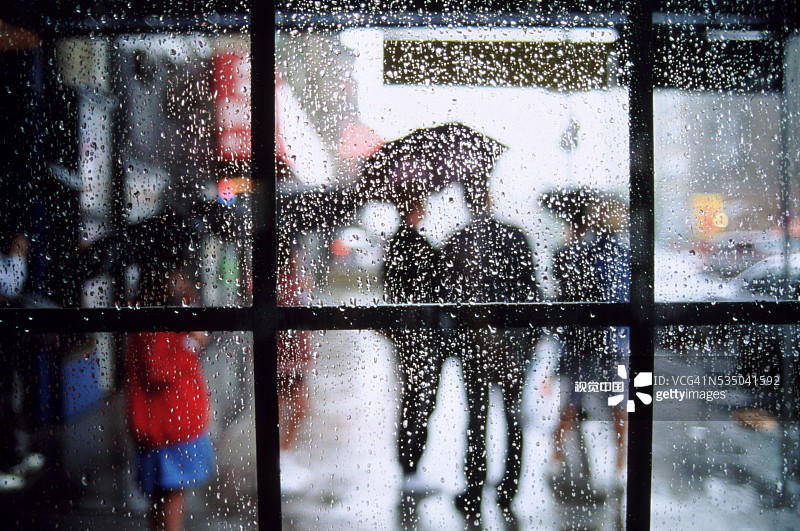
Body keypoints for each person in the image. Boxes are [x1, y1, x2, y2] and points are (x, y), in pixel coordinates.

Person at [441, 179, 541, 518]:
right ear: (489, 198)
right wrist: (528, 340)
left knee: (477, 417)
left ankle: (473, 489)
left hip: (476, 343)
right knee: (513, 417)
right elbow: (531, 292)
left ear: (467, 202)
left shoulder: (457, 241)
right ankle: (509, 489)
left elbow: (449, 301)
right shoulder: (515, 236)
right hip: (514, 344)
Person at [549, 190, 630, 490]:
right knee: (618, 406)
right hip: (616, 339)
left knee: (571, 401)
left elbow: (572, 296)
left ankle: (556, 457)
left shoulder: (581, 251)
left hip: (584, 339)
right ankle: (621, 464)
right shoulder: (625, 254)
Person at [126, 263, 215, 531]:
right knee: (171, 497)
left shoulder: (162, 315)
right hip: (169, 429)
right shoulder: (155, 320)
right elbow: (158, 370)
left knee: (165, 499)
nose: (183, 283)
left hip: (171, 425)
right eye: (177, 277)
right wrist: (192, 343)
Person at [383, 190, 444, 495]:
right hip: (418, 333)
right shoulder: (417, 245)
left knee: (413, 398)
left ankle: (408, 466)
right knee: (419, 400)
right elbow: (432, 288)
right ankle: (410, 467)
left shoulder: (395, 244)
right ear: (415, 208)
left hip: (406, 334)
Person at [0, 233, 45, 492]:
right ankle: (8, 461)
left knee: (11, 396)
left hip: (7, 341)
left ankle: (15, 457)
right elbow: (10, 286)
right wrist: (19, 255)